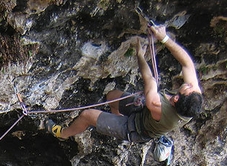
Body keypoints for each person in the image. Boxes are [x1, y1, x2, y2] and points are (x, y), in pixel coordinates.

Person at [46, 25, 203, 144]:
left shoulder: (157, 104)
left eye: (188, 88)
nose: (190, 85)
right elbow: (187, 64)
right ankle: (116, 117)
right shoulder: (192, 100)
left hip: (135, 128)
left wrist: (140, 55)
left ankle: (62, 134)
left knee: (87, 115)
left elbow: (148, 77)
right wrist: (164, 38)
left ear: (176, 99)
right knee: (112, 96)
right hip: (146, 113)